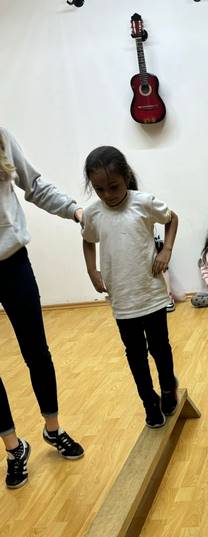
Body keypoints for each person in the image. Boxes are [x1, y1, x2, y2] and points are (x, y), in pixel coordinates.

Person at [0, 127, 84, 490]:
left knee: (37, 352)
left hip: (13, 263)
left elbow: (34, 186)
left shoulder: (1, 137)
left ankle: (53, 429)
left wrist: (75, 210)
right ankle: (13, 448)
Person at [82, 145, 179, 429]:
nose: (108, 195)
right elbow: (87, 240)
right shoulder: (93, 213)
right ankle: (149, 402)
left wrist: (166, 251)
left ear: (126, 177)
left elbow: (172, 218)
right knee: (135, 355)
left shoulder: (143, 203)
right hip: (122, 300)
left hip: (151, 294)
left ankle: (168, 388)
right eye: (99, 189)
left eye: (113, 186)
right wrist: (91, 270)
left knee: (160, 348)